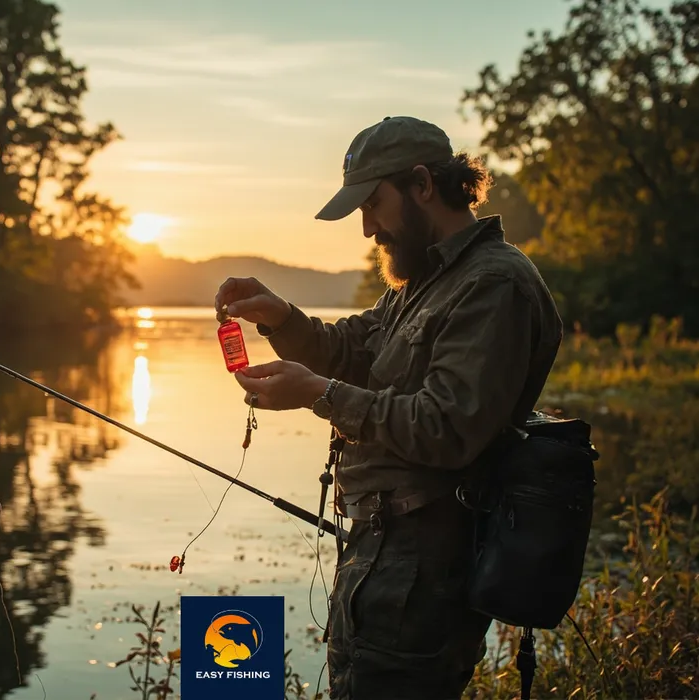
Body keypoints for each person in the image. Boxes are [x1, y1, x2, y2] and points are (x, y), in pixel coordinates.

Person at [213, 115, 563, 699]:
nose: (368, 228)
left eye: (374, 204)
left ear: (423, 184)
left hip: (423, 578)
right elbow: (350, 350)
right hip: (381, 559)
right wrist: (280, 317)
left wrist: (319, 394)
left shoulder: (493, 284)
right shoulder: (423, 281)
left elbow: (447, 427)